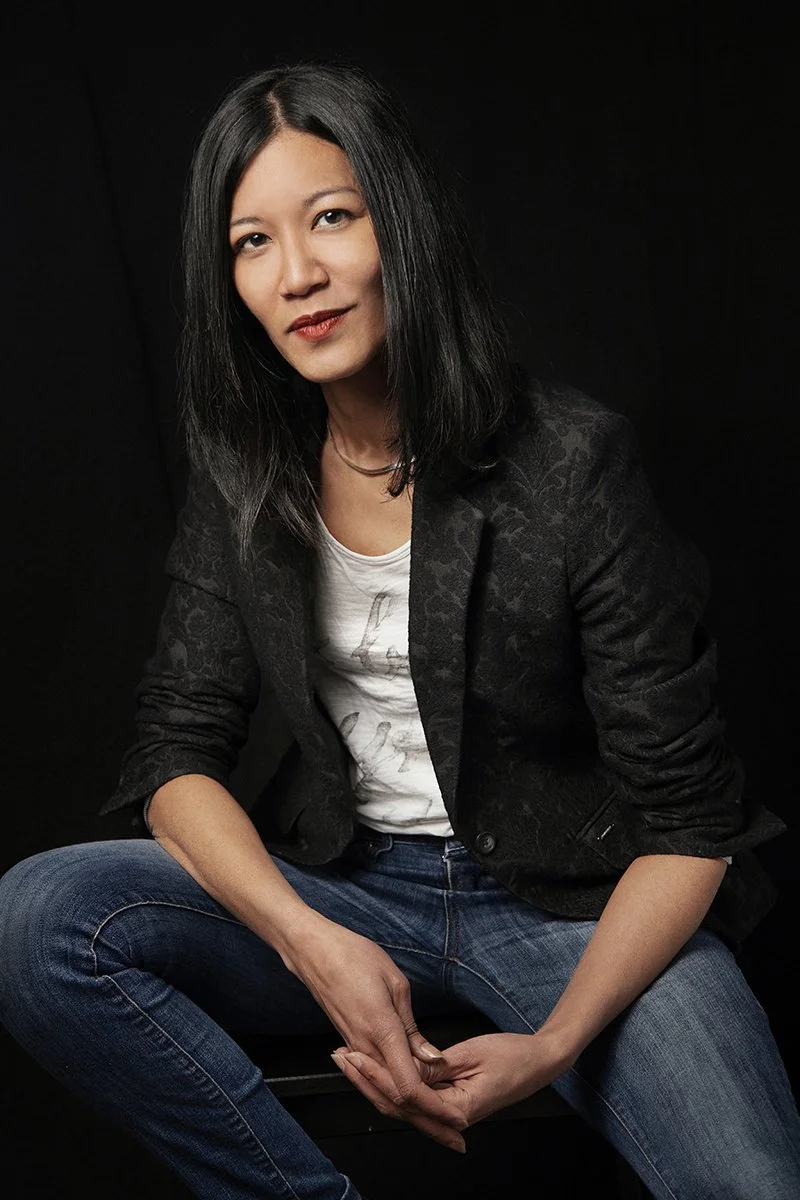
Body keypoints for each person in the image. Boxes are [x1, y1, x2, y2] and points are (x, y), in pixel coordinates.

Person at [0, 58, 797, 1200]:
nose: (298, 274)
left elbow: (689, 825)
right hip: (350, 887)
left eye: (330, 218)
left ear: (401, 227)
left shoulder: (569, 463)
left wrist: (556, 1045)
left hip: (571, 906)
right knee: (38, 920)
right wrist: (309, 942)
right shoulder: (247, 475)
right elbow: (174, 758)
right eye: (252, 242)